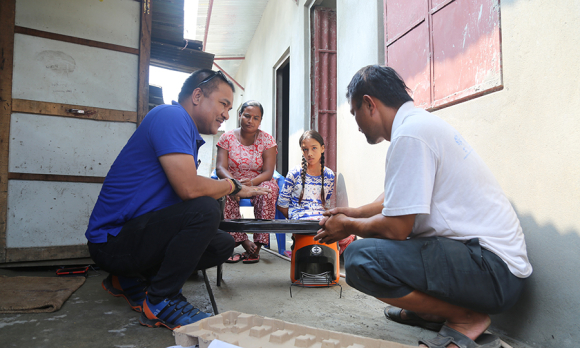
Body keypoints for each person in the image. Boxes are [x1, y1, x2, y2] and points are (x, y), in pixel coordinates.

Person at [314, 65, 532, 348]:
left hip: (493, 272)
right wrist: (353, 212)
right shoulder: (418, 126)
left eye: (354, 112)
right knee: (390, 251)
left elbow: (396, 229)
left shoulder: (411, 135)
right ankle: (428, 312)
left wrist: (348, 227)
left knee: (359, 258)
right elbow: (394, 198)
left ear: (369, 104)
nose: (356, 124)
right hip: (494, 269)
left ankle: (464, 317)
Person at [85, 69, 270, 330]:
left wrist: (229, 188)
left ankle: (127, 279)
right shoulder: (171, 116)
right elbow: (189, 189)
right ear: (197, 95)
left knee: (221, 244)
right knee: (205, 210)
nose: (227, 115)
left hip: (131, 238)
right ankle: (161, 300)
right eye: (223, 104)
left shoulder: (185, 131)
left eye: (229, 108)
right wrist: (232, 186)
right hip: (112, 241)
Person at [216, 100, 279, 264]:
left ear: (260, 120)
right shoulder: (226, 138)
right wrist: (235, 184)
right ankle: (241, 241)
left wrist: (251, 183)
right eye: (247, 116)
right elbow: (220, 168)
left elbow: (268, 172)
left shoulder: (267, 140)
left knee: (268, 190)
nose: (251, 121)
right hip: (233, 179)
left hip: (257, 180)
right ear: (240, 116)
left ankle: (257, 246)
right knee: (224, 191)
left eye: (256, 118)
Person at [277, 130, 355, 255]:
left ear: (322, 148)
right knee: (323, 229)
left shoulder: (329, 175)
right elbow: (281, 205)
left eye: (314, 148)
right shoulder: (294, 173)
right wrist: (296, 218)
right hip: (300, 219)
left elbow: (326, 205)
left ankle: (331, 255)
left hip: (320, 219)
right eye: (305, 149)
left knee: (347, 228)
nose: (309, 154)